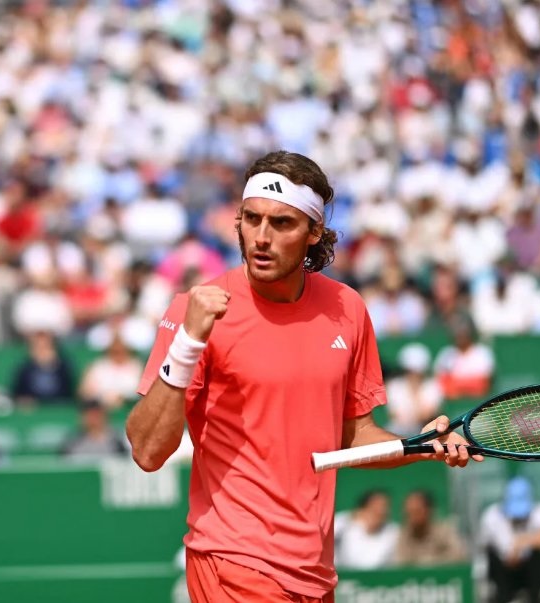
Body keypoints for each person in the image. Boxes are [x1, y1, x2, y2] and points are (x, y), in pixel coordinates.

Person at [126, 151, 480, 602]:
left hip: (313, 573)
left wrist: (423, 446)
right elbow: (147, 451)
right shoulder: (194, 311)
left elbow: (352, 436)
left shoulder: (347, 309)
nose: (261, 238)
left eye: (282, 223)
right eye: (251, 219)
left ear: (314, 232)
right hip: (233, 563)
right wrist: (187, 344)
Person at [480, 477, 540, 603]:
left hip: (528, 569)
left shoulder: (539, 511)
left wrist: (524, 542)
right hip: (504, 570)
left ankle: (534, 598)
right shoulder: (492, 516)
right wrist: (514, 552)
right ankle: (503, 598)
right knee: (492, 557)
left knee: (538, 557)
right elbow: (492, 550)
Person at [393, 490, 466, 566]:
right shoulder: (404, 536)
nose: (412, 517)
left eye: (417, 511)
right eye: (409, 513)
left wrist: (431, 562)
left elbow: (459, 556)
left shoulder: (444, 531)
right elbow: (400, 562)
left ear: (428, 510)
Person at [385, 343, 444, 436]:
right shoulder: (394, 386)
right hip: (399, 432)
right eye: (409, 371)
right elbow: (395, 416)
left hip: (425, 432)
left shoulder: (433, 386)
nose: (413, 375)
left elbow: (426, 415)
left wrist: (415, 391)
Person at [333, 490, 399, 569]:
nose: (381, 511)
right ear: (363, 509)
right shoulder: (342, 524)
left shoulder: (393, 532)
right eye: (374, 508)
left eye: (384, 507)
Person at [10, 331, 74, 406]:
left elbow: (69, 392)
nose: (42, 351)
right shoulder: (24, 369)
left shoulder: (63, 367)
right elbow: (17, 394)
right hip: (34, 408)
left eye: (45, 347)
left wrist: (53, 365)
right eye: (38, 348)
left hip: (58, 406)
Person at [60, 399, 128, 459]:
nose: (93, 419)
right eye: (89, 415)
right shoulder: (72, 441)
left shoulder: (117, 441)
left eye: (96, 415)